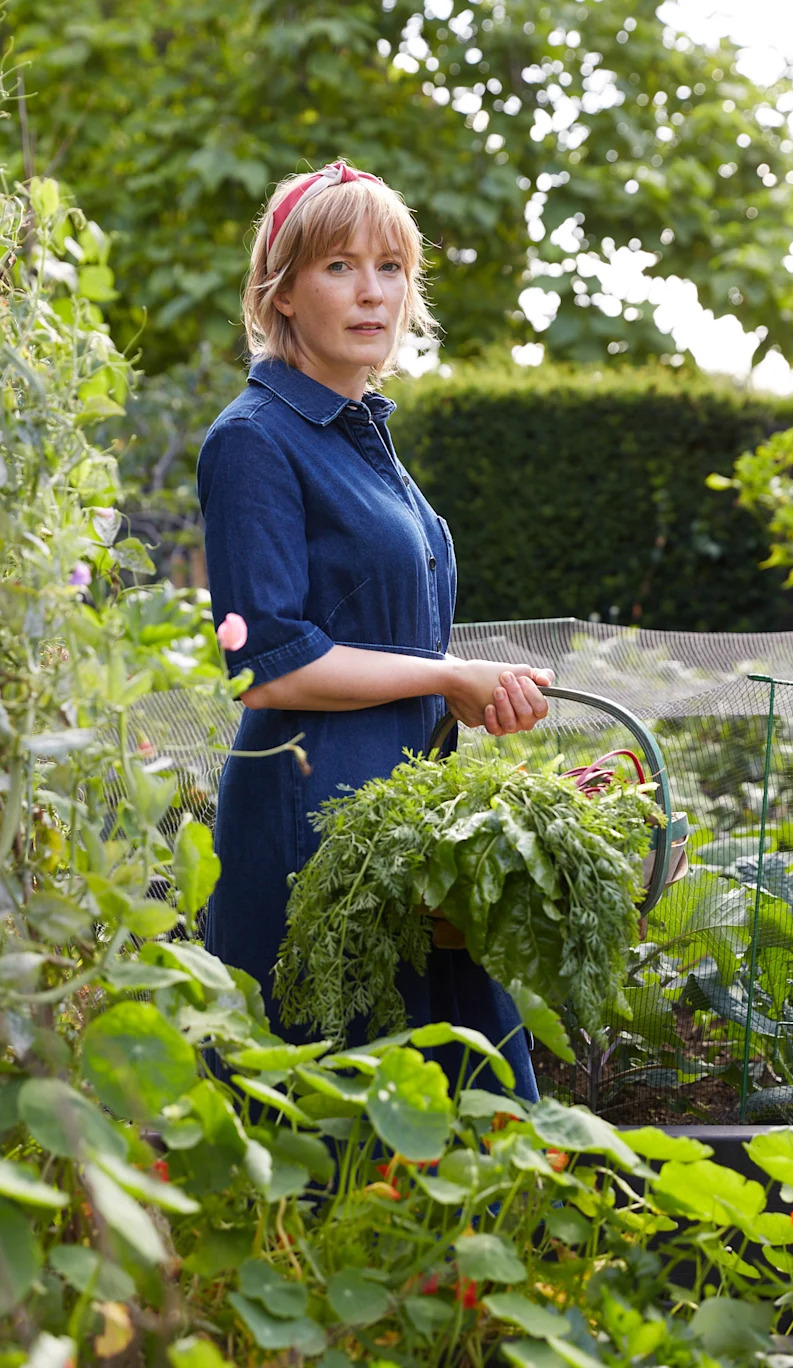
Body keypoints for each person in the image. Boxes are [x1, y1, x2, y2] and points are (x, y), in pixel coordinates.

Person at [197, 160, 553, 1101]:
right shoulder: (254, 440)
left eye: (390, 268)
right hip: (315, 831)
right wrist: (447, 675)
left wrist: (469, 686)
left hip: (402, 825)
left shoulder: (359, 435)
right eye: (338, 266)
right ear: (281, 293)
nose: (370, 292)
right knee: (331, 1136)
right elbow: (268, 666)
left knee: (468, 1119)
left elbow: (386, 631)